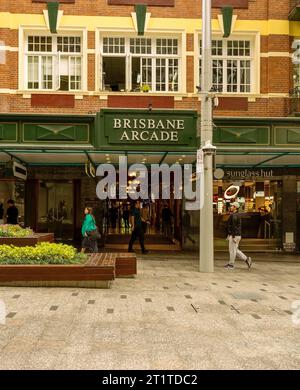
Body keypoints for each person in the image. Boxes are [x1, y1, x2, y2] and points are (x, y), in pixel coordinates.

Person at [224, 202, 252, 270]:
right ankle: (247, 259)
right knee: (235, 250)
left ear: (235, 207)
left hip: (235, 235)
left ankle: (231, 264)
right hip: (236, 235)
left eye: (232, 206)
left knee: (232, 250)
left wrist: (232, 236)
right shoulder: (235, 215)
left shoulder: (234, 215)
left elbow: (234, 227)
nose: (230, 207)